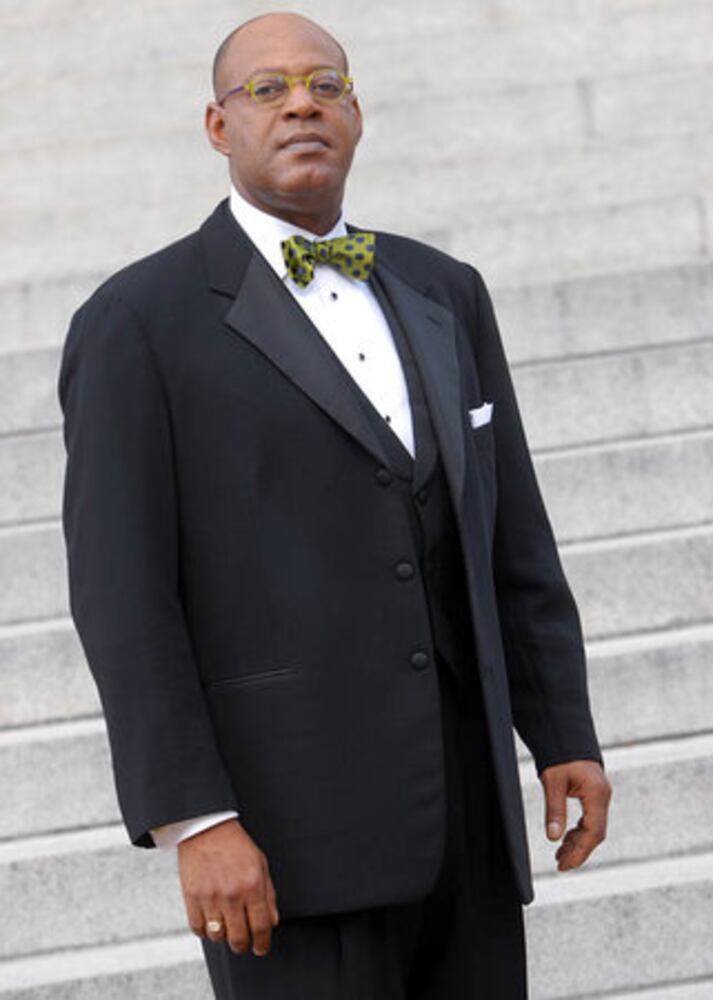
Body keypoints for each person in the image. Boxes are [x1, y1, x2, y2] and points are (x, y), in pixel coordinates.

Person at [57, 11, 612, 999]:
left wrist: (561, 730)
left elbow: (511, 537)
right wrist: (195, 819)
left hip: (467, 825)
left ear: (357, 114)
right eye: (266, 89)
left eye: (325, 85)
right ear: (218, 126)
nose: (300, 104)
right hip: (283, 840)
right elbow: (122, 595)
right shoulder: (135, 322)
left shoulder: (446, 289)